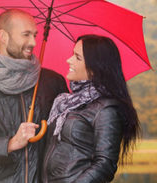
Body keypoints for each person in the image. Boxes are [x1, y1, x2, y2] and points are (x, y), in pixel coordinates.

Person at [0, 9, 69, 183]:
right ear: (3, 36)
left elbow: (69, 138)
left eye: (35, 35)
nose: (33, 42)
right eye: (26, 35)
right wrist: (10, 144)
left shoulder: (52, 82)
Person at [41, 34, 141, 183]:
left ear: (94, 68)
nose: (69, 60)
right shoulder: (67, 102)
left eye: (77, 57)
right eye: (72, 54)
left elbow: (105, 164)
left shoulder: (106, 109)